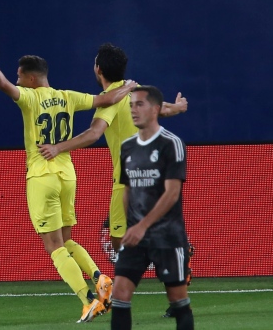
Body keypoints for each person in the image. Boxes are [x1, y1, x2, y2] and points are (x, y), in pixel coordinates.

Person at [0, 50, 136, 322]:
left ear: (31, 78)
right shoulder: (68, 96)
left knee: (53, 246)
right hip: (67, 176)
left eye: (20, 76)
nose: (16, 81)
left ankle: (87, 300)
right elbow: (107, 98)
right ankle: (100, 279)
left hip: (42, 176)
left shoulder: (29, 97)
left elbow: (2, 83)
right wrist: (128, 87)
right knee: (66, 240)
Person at [38, 43, 187, 257]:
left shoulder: (111, 99)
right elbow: (162, 109)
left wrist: (57, 148)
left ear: (98, 69)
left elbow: (93, 133)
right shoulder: (137, 92)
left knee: (118, 240)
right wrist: (179, 107)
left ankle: (171, 249)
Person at [110, 86, 194, 329]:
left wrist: (142, 226)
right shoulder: (127, 147)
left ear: (156, 109)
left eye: (139, 105)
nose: (133, 110)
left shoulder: (171, 144)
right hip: (136, 238)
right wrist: (131, 226)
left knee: (177, 298)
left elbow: (172, 193)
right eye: (131, 105)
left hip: (166, 236)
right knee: (120, 293)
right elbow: (127, 190)